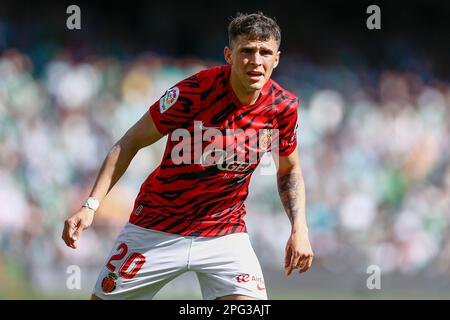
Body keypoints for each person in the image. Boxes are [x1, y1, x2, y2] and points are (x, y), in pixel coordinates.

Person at [62, 12, 313, 300]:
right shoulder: (193, 92)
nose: (256, 61)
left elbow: (289, 170)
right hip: (157, 227)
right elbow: (128, 143)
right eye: (247, 51)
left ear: (276, 59)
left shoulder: (283, 107)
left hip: (225, 234)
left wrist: (299, 229)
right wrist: (90, 205)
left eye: (265, 52)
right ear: (229, 55)